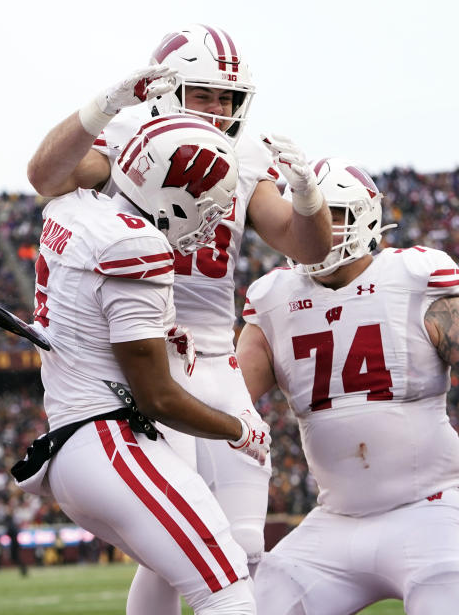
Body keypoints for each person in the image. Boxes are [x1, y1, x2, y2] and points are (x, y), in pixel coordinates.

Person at [27, 23, 331, 615]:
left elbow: (308, 248)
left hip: (215, 359)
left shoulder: (244, 157)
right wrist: (103, 107)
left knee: (243, 546)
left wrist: (308, 197)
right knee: (174, 552)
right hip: (144, 355)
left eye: (229, 98)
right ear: (166, 93)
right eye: (204, 95)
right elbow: (45, 178)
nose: (220, 110)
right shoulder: (130, 137)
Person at [235, 158, 459, 614]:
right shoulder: (273, 298)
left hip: (426, 511)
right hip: (334, 524)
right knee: (254, 605)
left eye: (331, 213)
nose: (315, 224)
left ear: (365, 216)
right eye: (305, 212)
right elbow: (228, 395)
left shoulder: (413, 280)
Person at [14, 115, 270, 614]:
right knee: (227, 588)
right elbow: (159, 398)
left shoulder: (72, 208)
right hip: (113, 440)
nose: (209, 221)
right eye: (204, 207)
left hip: (73, 445)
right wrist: (236, 429)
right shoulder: (138, 248)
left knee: (183, 572)